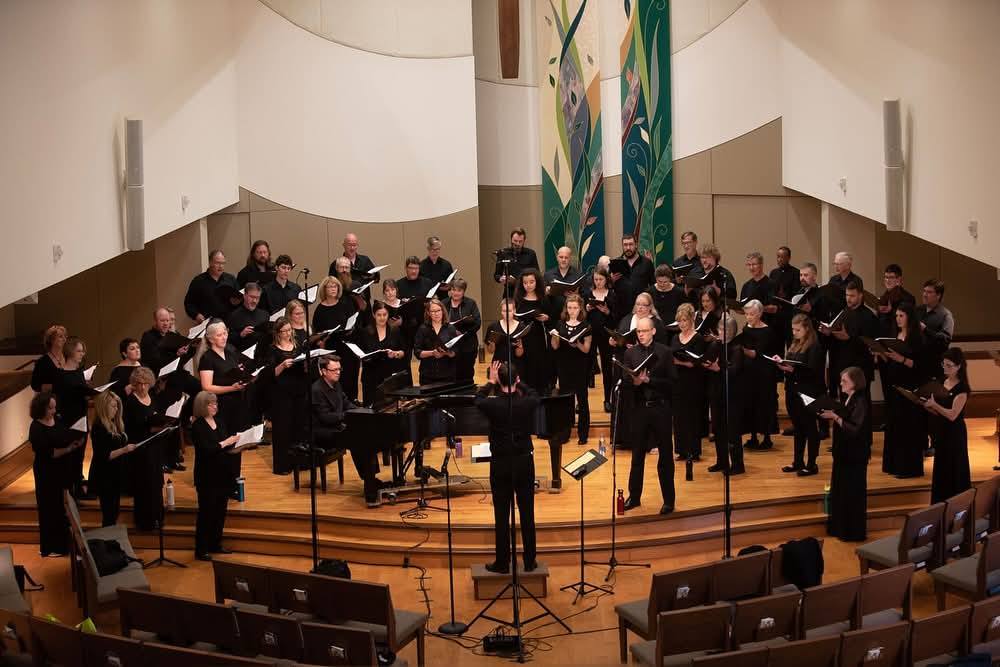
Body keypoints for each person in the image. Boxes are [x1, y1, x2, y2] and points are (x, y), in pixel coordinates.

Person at [476, 360, 540, 573]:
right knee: (527, 513)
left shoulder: (492, 404)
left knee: (501, 515)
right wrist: (519, 383)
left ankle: (502, 562)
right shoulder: (527, 402)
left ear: (499, 381)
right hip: (524, 462)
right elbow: (534, 393)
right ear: (517, 379)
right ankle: (530, 561)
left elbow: (478, 399)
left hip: (501, 464)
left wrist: (490, 381)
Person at [312, 356, 384, 506]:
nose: (338, 372)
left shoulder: (336, 384)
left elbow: (345, 402)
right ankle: (369, 487)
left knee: (365, 434)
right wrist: (347, 416)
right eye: (334, 370)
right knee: (360, 440)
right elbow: (325, 418)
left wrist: (361, 411)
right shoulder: (317, 390)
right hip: (323, 432)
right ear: (323, 371)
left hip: (337, 426)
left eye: (339, 369)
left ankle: (370, 479)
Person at [623, 317, 677, 514]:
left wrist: (649, 380)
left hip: (660, 409)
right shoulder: (630, 353)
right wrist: (635, 383)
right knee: (637, 456)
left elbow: (672, 383)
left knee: (665, 457)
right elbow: (624, 382)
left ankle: (669, 500)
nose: (641, 334)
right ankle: (634, 497)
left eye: (645, 331)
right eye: (639, 331)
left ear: (653, 331)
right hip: (639, 409)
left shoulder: (664, 352)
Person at [196, 322, 248, 498]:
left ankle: (234, 479)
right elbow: (206, 387)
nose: (224, 337)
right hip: (219, 407)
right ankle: (224, 483)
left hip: (236, 404)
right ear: (210, 338)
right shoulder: (207, 358)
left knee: (236, 442)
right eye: (219, 335)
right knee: (224, 443)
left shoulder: (231, 352)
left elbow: (237, 372)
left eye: (225, 333)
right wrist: (231, 388)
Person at [876, 303, 928, 479]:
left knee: (908, 428)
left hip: (910, 387)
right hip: (894, 385)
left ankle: (908, 468)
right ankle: (893, 465)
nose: (897, 319)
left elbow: (921, 366)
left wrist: (902, 358)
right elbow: (890, 360)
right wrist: (882, 354)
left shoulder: (917, 338)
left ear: (909, 318)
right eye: (896, 316)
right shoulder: (894, 335)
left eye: (901, 316)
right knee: (894, 425)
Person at [29, 392, 83, 556]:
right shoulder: (36, 428)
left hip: (62, 469)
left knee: (63, 507)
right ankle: (51, 546)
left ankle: (65, 545)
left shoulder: (57, 419)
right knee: (49, 508)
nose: (54, 411)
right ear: (41, 408)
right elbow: (49, 453)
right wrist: (68, 448)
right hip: (47, 471)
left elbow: (64, 435)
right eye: (50, 408)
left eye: (54, 407)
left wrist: (75, 440)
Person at [822, 366, 871, 542]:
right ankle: (840, 527)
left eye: (845, 381)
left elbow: (855, 429)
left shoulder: (861, 400)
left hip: (854, 456)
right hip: (844, 454)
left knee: (852, 493)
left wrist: (835, 417)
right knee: (841, 491)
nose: (841, 383)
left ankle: (852, 531)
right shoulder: (848, 398)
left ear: (855, 383)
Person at [191, 391, 240, 561]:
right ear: (202, 406)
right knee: (206, 513)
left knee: (220, 512)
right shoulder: (197, 426)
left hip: (223, 473)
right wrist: (226, 442)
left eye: (216, 403)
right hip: (207, 476)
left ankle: (215, 544)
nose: (215, 406)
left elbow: (225, 448)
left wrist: (240, 445)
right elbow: (207, 449)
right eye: (211, 404)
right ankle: (201, 549)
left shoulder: (219, 421)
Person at [777, 315, 826, 476]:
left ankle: (812, 464)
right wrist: (782, 363)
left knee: (810, 428)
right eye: (793, 329)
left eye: (798, 330)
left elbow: (814, 372)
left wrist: (792, 370)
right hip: (792, 391)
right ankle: (798, 461)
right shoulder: (795, 344)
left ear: (807, 329)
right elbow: (792, 366)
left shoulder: (814, 347)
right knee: (798, 428)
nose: (794, 332)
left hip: (808, 392)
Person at [924, 348, 972, 503]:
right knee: (942, 469)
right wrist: (927, 406)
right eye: (943, 364)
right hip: (941, 432)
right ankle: (940, 504)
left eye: (949, 365)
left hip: (954, 434)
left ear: (958, 366)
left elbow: (952, 415)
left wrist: (935, 405)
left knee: (955, 468)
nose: (945, 368)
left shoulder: (962, 389)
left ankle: (957, 506)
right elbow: (939, 412)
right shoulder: (941, 382)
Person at [265, 317, 309, 475]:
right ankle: (283, 465)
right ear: (277, 333)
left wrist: (305, 365)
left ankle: (300, 462)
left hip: (299, 390)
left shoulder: (298, 346)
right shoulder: (272, 349)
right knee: (283, 429)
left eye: (289, 330)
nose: (287, 334)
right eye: (283, 331)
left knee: (299, 426)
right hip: (281, 394)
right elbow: (270, 374)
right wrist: (283, 365)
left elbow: (305, 368)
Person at [821, 280, 878, 399]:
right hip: (842, 366)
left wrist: (849, 338)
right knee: (844, 402)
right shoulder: (844, 312)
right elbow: (836, 336)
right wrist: (829, 332)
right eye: (847, 295)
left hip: (860, 369)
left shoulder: (869, 316)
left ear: (861, 295)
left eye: (852, 296)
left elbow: (871, 344)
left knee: (861, 403)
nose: (848, 299)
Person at [123, 366, 164, 531]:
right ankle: (144, 521)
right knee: (144, 484)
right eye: (139, 384)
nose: (142, 387)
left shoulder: (153, 397)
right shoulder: (131, 402)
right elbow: (129, 428)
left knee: (156, 482)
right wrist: (150, 428)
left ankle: (158, 517)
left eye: (145, 384)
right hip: (139, 448)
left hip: (154, 445)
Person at [704, 315, 745, 474]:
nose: (721, 332)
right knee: (718, 429)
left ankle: (737, 464)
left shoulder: (736, 348)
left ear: (732, 331)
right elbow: (707, 359)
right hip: (716, 392)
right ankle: (721, 461)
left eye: (725, 329)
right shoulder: (715, 345)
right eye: (720, 329)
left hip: (731, 395)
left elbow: (734, 371)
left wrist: (718, 369)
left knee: (732, 431)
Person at [550, 294, 593, 445]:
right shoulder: (560, 323)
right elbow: (555, 346)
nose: (572, 311)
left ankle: (583, 434)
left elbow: (587, 349)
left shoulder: (586, 325)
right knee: (566, 401)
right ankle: (565, 432)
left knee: (582, 400)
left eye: (575, 308)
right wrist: (555, 336)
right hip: (564, 365)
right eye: (569, 308)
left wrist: (578, 345)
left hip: (580, 366)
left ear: (580, 308)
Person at [89, 391, 135, 526]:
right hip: (105, 476)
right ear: (104, 407)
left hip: (115, 474)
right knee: (109, 513)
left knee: (114, 512)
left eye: (117, 406)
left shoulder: (114, 423)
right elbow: (104, 455)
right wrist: (125, 450)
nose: (116, 409)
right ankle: (107, 543)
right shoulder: (99, 427)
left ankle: (111, 541)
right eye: (113, 406)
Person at [740, 300, 779, 451]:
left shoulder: (767, 331)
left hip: (764, 373)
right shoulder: (746, 329)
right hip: (749, 373)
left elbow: (757, 353)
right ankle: (754, 436)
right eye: (747, 314)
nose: (749, 317)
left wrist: (743, 349)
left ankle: (767, 437)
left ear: (760, 314)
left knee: (764, 404)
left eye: (752, 314)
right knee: (751, 404)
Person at [670, 303, 706, 462]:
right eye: (679, 321)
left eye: (685, 320)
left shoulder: (698, 338)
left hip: (692, 381)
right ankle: (681, 450)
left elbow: (696, 363)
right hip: (677, 381)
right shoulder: (674, 338)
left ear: (692, 320)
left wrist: (681, 363)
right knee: (678, 417)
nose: (682, 324)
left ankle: (693, 450)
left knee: (692, 416)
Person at [55, 336, 90, 497]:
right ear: (69, 352)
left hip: (82, 417)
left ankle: (77, 487)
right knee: (70, 456)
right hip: (69, 420)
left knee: (80, 455)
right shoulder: (61, 375)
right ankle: (69, 492)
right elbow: (61, 401)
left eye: (83, 351)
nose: (82, 354)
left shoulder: (79, 373)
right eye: (79, 351)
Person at [357, 302, 409, 404]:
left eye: (384, 315)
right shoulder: (366, 332)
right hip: (370, 376)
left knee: (389, 408)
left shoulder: (395, 330)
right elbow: (361, 353)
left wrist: (396, 353)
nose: (382, 318)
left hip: (388, 376)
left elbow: (403, 351)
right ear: (373, 315)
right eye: (379, 315)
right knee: (371, 408)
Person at [513, 268, 555, 393]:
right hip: (523, 336)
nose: (528, 285)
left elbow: (550, 318)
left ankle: (540, 391)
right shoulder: (518, 299)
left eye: (531, 282)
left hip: (538, 336)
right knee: (524, 366)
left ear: (537, 282)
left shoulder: (543, 298)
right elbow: (514, 315)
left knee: (539, 364)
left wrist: (546, 318)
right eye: (525, 283)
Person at [583, 268, 618, 412]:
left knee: (607, 367)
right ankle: (582, 401)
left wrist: (607, 311)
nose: (598, 282)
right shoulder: (587, 294)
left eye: (601, 279)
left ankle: (607, 399)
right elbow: (581, 317)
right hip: (591, 334)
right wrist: (586, 309)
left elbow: (616, 317)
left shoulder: (612, 295)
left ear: (606, 280)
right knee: (586, 366)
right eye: (596, 279)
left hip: (606, 335)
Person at [184, 249, 241, 323]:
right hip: (207, 324)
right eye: (217, 263)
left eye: (223, 263)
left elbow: (239, 301)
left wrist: (237, 302)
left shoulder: (231, 279)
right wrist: (196, 315)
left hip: (228, 323)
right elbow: (189, 303)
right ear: (210, 263)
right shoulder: (199, 281)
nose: (221, 266)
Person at [444, 278, 481, 385]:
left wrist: (464, 334)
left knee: (467, 374)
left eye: (459, 290)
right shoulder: (444, 303)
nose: (455, 293)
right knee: (450, 375)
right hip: (449, 345)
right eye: (453, 290)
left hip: (467, 345)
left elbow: (477, 323)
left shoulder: (470, 303)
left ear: (463, 291)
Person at [412, 299, 459, 385]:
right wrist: (432, 353)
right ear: (428, 313)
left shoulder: (450, 328)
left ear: (442, 311)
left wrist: (446, 353)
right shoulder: (423, 329)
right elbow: (417, 352)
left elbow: (456, 351)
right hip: (427, 375)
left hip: (447, 375)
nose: (436, 313)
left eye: (438, 310)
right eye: (433, 311)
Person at [916, 279, 955, 372]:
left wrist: (925, 329)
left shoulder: (946, 315)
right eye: (924, 291)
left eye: (929, 292)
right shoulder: (917, 310)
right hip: (917, 362)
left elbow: (945, 340)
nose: (924, 295)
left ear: (938, 295)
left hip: (935, 364)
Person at [769, 246, 801, 345]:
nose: (779, 259)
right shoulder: (773, 273)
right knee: (777, 345)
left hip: (789, 314)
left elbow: (797, 293)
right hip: (776, 316)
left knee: (791, 343)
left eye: (782, 257)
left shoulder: (796, 273)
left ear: (788, 258)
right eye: (778, 256)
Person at [225, 283, 269, 354]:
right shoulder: (234, 315)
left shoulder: (265, 315)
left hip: (260, 354)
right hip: (240, 354)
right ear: (245, 296)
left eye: (257, 298)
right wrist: (241, 334)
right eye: (252, 297)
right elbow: (227, 339)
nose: (254, 301)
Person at [484, 299, 525, 373]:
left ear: (514, 311)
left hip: (516, 366)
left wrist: (520, 346)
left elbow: (519, 354)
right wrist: (492, 345)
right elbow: (490, 351)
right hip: (498, 365)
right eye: (504, 311)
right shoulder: (493, 326)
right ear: (501, 311)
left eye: (509, 311)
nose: (506, 313)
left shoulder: (521, 327)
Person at [493, 227, 540, 292]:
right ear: (511, 239)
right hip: (510, 291)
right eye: (515, 241)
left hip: (527, 291)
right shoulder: (503, 253)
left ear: (524, 241)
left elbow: (537, 273)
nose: (517, 244)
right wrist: (501, 278)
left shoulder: (531, 253)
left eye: (520, 241)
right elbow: (497, 275)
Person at [649, 265, 685, 344]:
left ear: (670, 279)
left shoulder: (679, 291)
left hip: (674, 330)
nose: (662, 284)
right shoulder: (650, 291)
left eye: (665, 282)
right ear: (656, 279)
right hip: (656, 330)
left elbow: (683, 311)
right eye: (659, 281)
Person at [876, 264, 915, 337]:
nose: (887, 280)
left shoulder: (908, 298)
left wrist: (890, 311)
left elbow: (907, 322)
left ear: (898, 279)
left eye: (891, 277)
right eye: (886, 277)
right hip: (882, 336)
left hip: (898, 338)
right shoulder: (883, 297)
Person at [740, 252, 777, 324]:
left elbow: (774, 308)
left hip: (767, 325)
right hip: (751, 325)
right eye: (749, 265)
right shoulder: (746, 286)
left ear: (761, 265)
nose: (751, 268)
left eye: (754, 264)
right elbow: (742, 309)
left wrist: (756, 309)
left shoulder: (771, 284)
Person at [616, 234, 655, 301]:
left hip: (641, 306)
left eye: (631, 244)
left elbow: (653, 285)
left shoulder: (647, 263)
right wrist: (611, 280)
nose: (628, 248)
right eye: (625, 245)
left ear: (636, 245)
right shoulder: (616, 263)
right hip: (621, 307)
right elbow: (609, 287)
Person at [30, 325, 68, 393]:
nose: (64, 339)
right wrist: (54, 386)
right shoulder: (42, 362)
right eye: (60, 336)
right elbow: (35, 385)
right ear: (51, 340)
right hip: (51, 399)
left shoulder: (68, 358)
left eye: (65, 336)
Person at [419, 236, 454, 300]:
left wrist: (449, 286)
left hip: (443, 300)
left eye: (437, 249)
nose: (435, 252)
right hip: (427, 300)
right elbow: (419, 285)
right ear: (428, 249)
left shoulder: (446, 264)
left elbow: (452, 283)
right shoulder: (421, 265)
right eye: (433, 249)